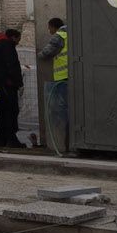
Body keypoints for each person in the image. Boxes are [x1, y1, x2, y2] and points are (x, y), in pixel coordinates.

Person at [37, 17, 69, 149]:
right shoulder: (70, 34)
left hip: (62, 77)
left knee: (59, 111)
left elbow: (46, 53)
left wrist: (38, 55)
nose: (48, 30)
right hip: (72, 75)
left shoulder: (59, 36)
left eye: (49, 27)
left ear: (53, 26)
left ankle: (60, 145)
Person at [0, 29, 23, 147]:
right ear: (13, 37)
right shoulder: (8, 47)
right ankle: (11, 138)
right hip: (8, 84)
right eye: (18, 39)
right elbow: (12, 65)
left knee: (2, 111)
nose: (19, 42)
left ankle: (1, 139)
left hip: (0, 84)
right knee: (11, 111)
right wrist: (18, 82)